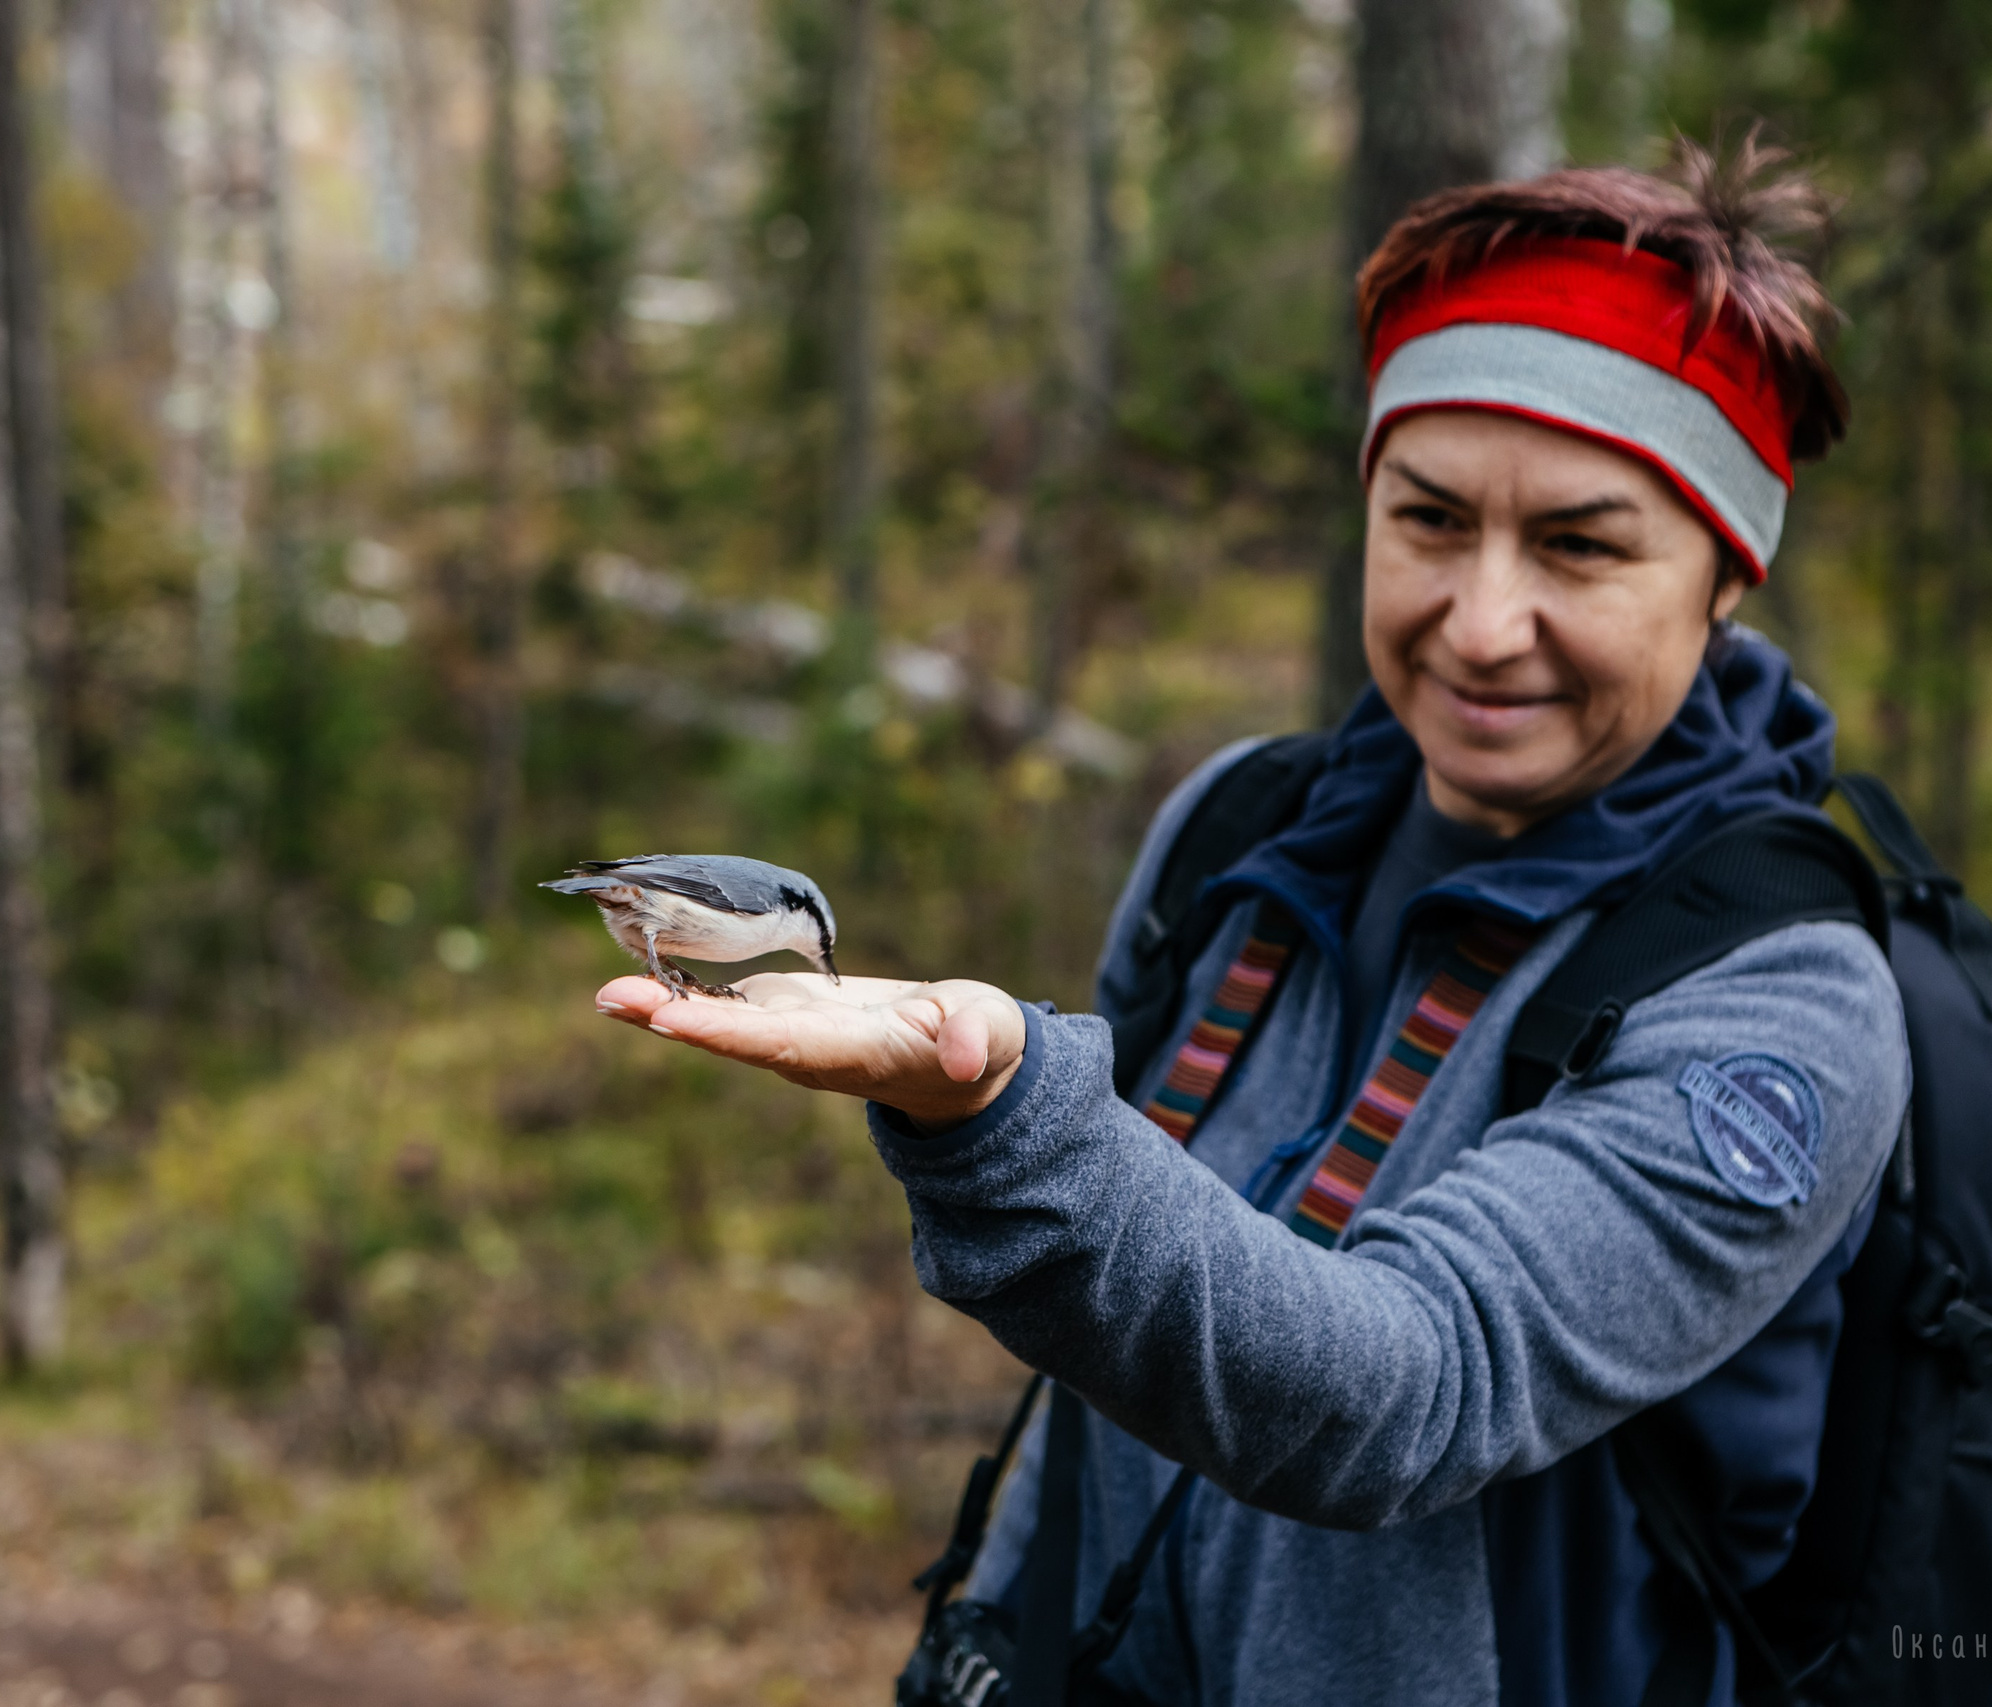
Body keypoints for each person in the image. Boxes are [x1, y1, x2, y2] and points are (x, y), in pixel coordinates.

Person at [594, 140, 1907, 1707]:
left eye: (1580, 543)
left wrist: (1006, 1117)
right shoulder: (1241, 830)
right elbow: (1109, 1362)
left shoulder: (1780, 999)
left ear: (1726, 579)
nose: (1482, 626)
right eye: (1428, 519)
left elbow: (1417, 1387)